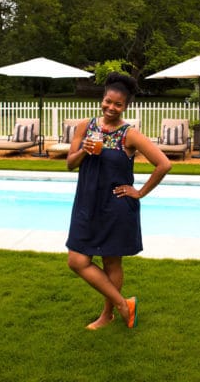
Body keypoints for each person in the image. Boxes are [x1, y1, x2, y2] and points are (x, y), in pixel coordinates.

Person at [65, 72, 171, 330]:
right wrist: (84, 150)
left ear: (126, 106)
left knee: (112, 261)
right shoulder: (84, 126)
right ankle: (124, 304)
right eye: (108, 102)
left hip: (115, 207)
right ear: (102, 98)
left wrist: (139, 192)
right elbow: (70, 164)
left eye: (118, 104)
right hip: (86, 204)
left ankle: (107, 314)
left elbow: (164, 164)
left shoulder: (129, 134)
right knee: (77, 261)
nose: (111, 108)